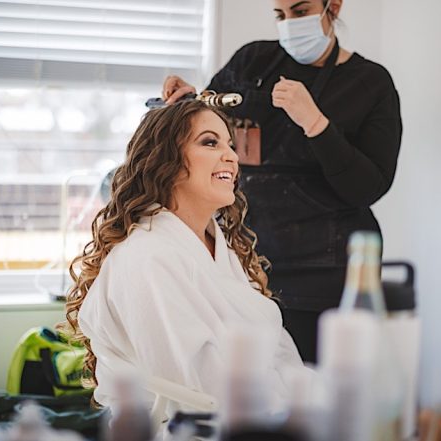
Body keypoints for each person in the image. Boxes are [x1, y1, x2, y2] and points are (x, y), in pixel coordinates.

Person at [161, 0, 402, 363]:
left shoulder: (371, 83)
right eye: (280, 15)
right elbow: (207, 129)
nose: (289, 23)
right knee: (249, 385)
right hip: (247, 263)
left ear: (332, 6)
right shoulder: (252, 62)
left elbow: (369, 187)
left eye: (300, 11)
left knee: (311, 388)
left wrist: (317, 125)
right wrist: (187, 103)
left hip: (325, 274)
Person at [63, 100, 308, 425]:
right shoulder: (146, 258)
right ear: (166, 160)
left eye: (230, 145)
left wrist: (309, 402)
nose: (232, 157)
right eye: (210, 142)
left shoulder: (220, 250)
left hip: (260, 414)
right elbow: (196, 387)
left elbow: (276, 350)